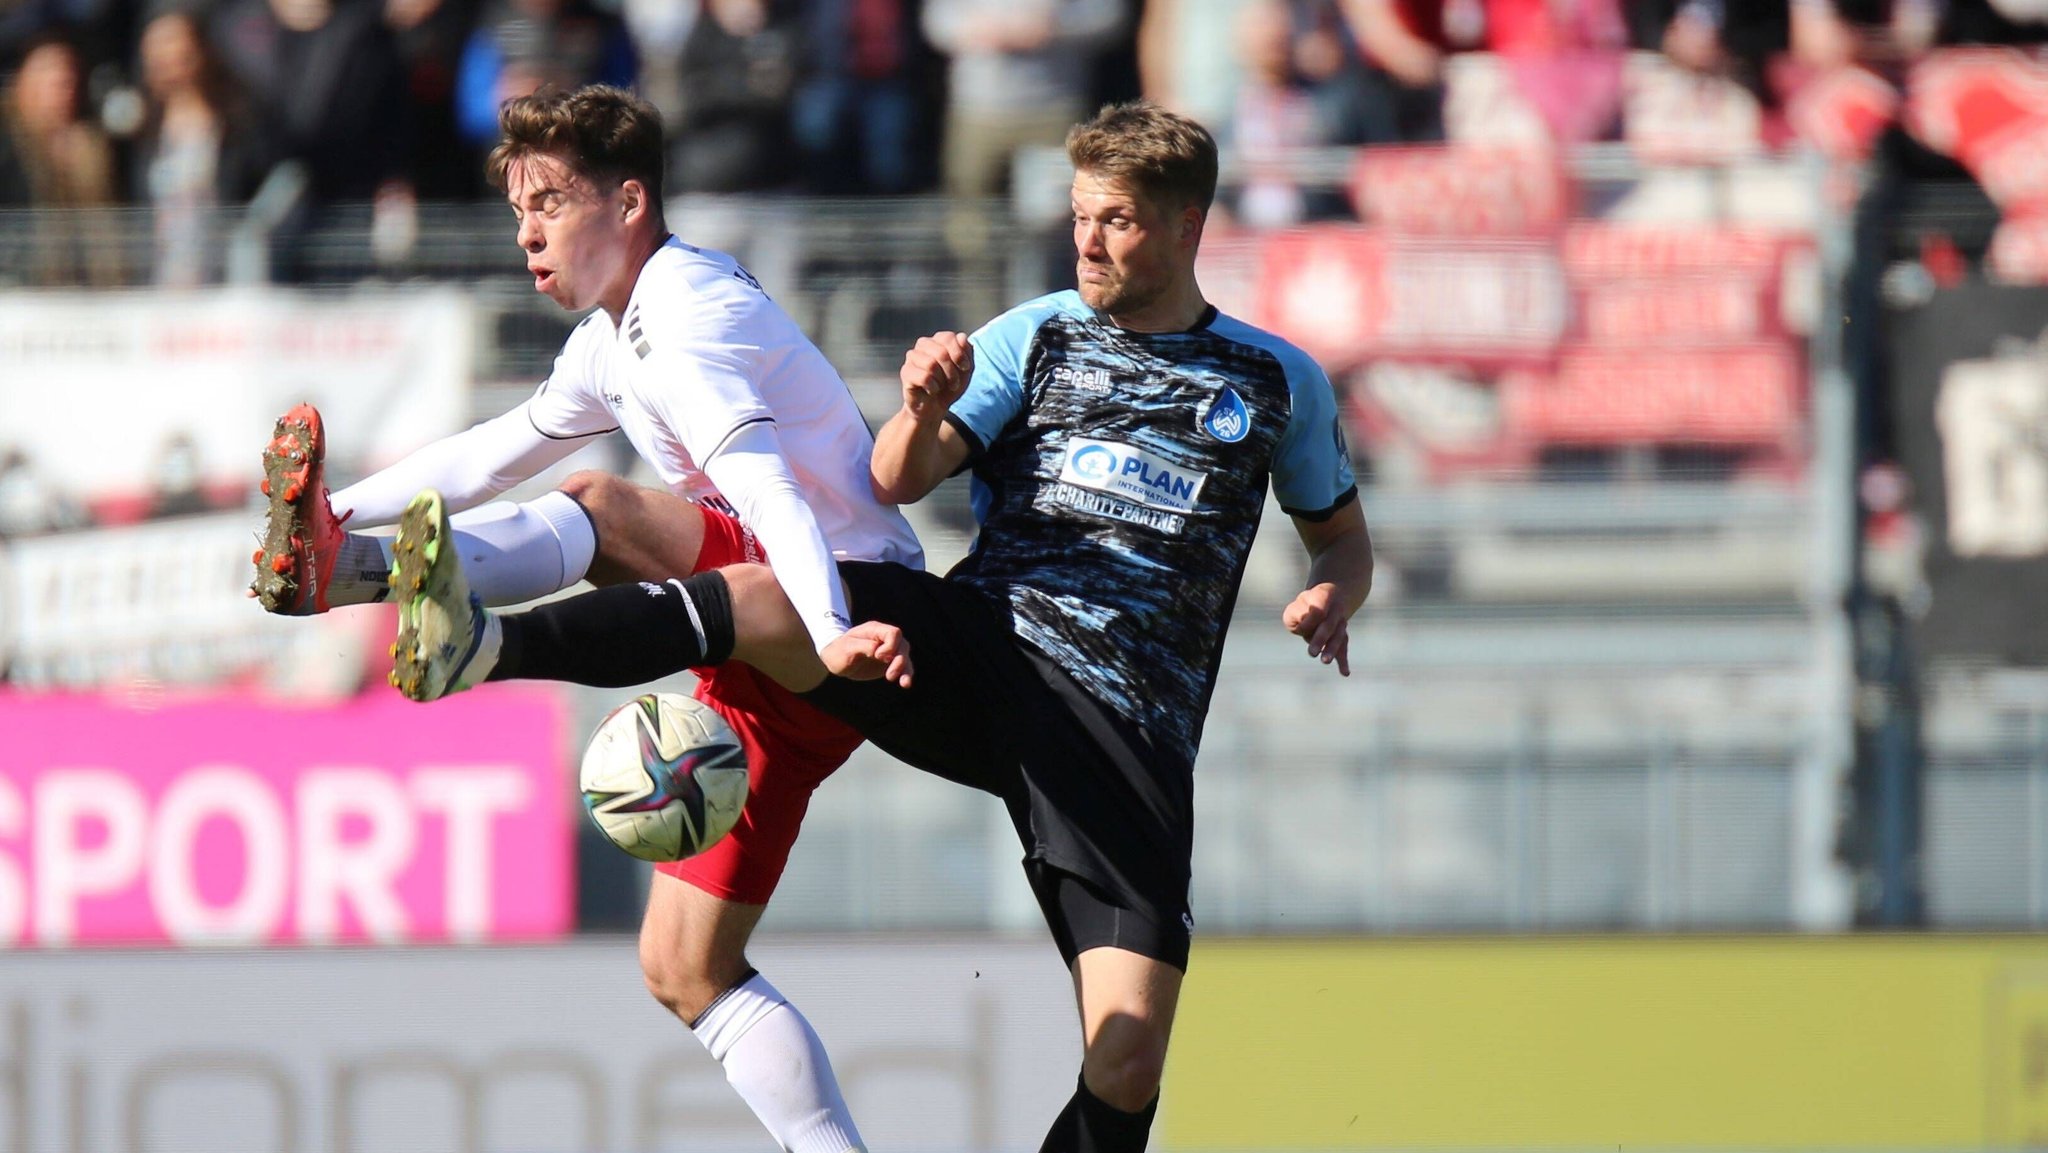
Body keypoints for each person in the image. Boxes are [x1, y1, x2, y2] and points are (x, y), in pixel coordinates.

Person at [397, 99, 1373, 1150]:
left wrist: (1332, 591)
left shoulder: (1274, 381)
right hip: (982, 647)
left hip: (1125, 736)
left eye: (1118, 220)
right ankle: (488, 645)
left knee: (1126, 1061)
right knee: (768, 593)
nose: (1086, 240)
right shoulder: (1035, 336)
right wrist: (916, 406)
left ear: (1186, 227)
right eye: (1080, 214)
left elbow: (1341, 536)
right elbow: (891, 479)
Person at [249, 84, 920, 1153]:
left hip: (837, 603)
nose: (527, 231)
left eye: (552, 201)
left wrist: (832, 628)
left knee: (601, 508)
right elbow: (497, 447)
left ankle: (434, 617)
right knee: (682, 968)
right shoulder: (617, 335)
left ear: (631, 202)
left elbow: (770, 492)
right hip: (765, 645)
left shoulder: (685, 315)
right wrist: (333, 512)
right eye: (519, 208)